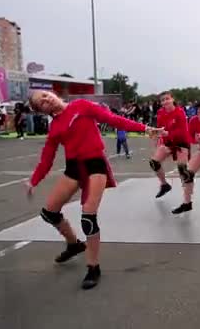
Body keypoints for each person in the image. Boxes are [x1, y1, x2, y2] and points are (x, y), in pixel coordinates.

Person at [24, 90, 162, 289]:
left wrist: (145, 128)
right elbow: (47, 159)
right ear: (41, 111)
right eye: (41, 103)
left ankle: (93, 267)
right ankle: (73, 244)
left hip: (95, 164)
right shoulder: (55, 128)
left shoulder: (81, 106)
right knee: (49, 212)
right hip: (74, 167)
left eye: (45, 95)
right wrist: (33, 181)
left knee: (88, 217)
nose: (47, 99)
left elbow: (113, 120)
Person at [149, 91, 193, 199]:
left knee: (182, 170)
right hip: (168, 142)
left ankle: (187, 199)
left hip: (181, 142)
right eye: (163, 100)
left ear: (172, 99)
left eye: (167, 99)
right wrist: (156, 135)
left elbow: (183, 131)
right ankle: (164, 185)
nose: (165, 101)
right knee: (154, 162)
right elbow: (160, 128)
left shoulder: (180, 112)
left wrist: (168, 133)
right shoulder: (160, 113)